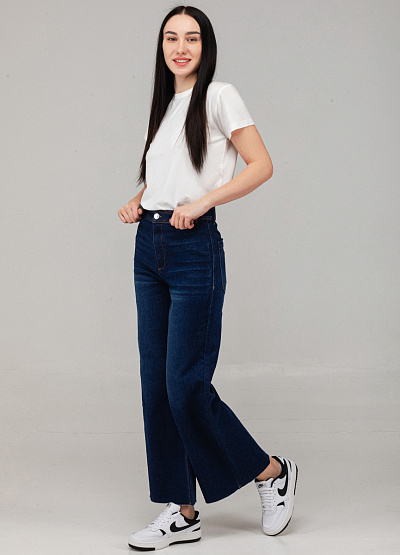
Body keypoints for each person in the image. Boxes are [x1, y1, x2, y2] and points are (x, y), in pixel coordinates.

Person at [118, 5, 298, 551]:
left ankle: (271, 471)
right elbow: (170, 175)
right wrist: (139, 199)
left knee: (185, 384)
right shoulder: (165, 105)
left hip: (194, 247)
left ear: (206, 46)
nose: (181, 47)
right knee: (156, 385)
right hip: (149, 246)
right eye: (171, 38)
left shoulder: (219, 95)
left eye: (191, 38)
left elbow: (261, 165)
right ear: (161, 47)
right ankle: (182, 511)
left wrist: (201, 204)